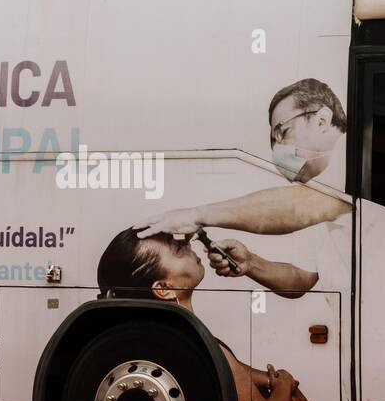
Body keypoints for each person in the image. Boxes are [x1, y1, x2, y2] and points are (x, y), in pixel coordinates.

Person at [136, 78, 350, 298]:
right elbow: (303, 279)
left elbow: (301, 206)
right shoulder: (317, 190)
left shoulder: (354, 163)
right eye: (273, 141)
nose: (278, 149)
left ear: (322, 120)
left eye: (282, 131)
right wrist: (250, 263)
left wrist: (195, 215)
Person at [96, 228, 313, 401]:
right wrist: (284, 382)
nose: (188, 244)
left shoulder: (155, 340)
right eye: (178, 250)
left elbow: (222, 367)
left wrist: (266, 379)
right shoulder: (199, 345)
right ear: (164, 288)